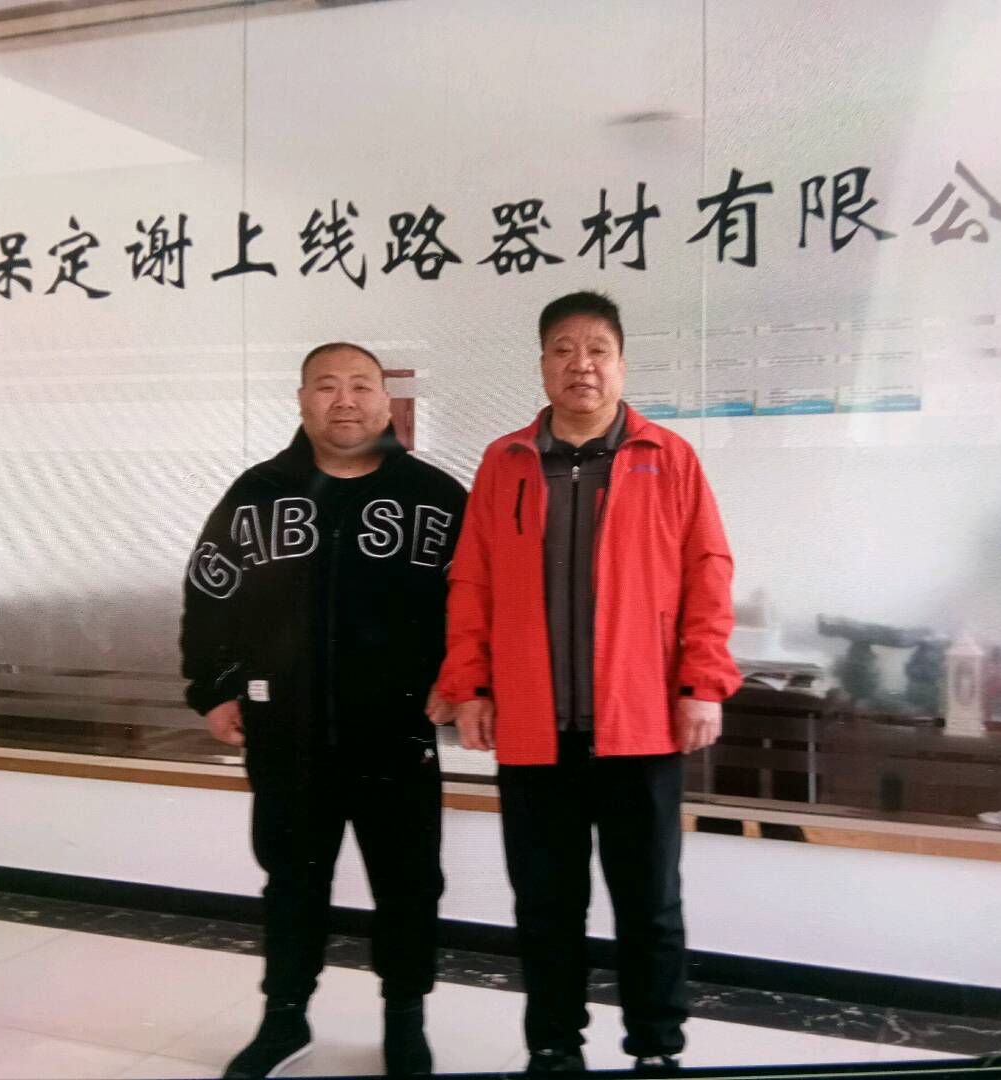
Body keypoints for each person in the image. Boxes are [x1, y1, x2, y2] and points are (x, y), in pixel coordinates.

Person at [435, 291, 740, 1074]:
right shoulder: (505, 462)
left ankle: (656, 1051)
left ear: (622, 364)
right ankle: (553, 1046)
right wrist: (468, 684)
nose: (582, 364)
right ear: (542, 365)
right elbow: (471, 580)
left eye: (598, 349)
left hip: (640, 726)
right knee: (545, 906)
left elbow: (708, 571)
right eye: (564, 349)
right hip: (534, 730)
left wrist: (703, 683)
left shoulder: (668, 457)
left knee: (650, 906)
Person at [181, 343, 465, 1078]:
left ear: (385, 400)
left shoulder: (436, 497)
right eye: (327, 386)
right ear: (302, 399)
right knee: (291, 884)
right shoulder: (256, 493)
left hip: (396, 734)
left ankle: (405, 1021)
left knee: (409, 886)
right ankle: (284, 1020)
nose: (345, 400)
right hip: (288, 735)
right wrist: (214, 687)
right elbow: (208, 594)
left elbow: (478, 602)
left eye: (361, 385)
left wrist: (462, 680)